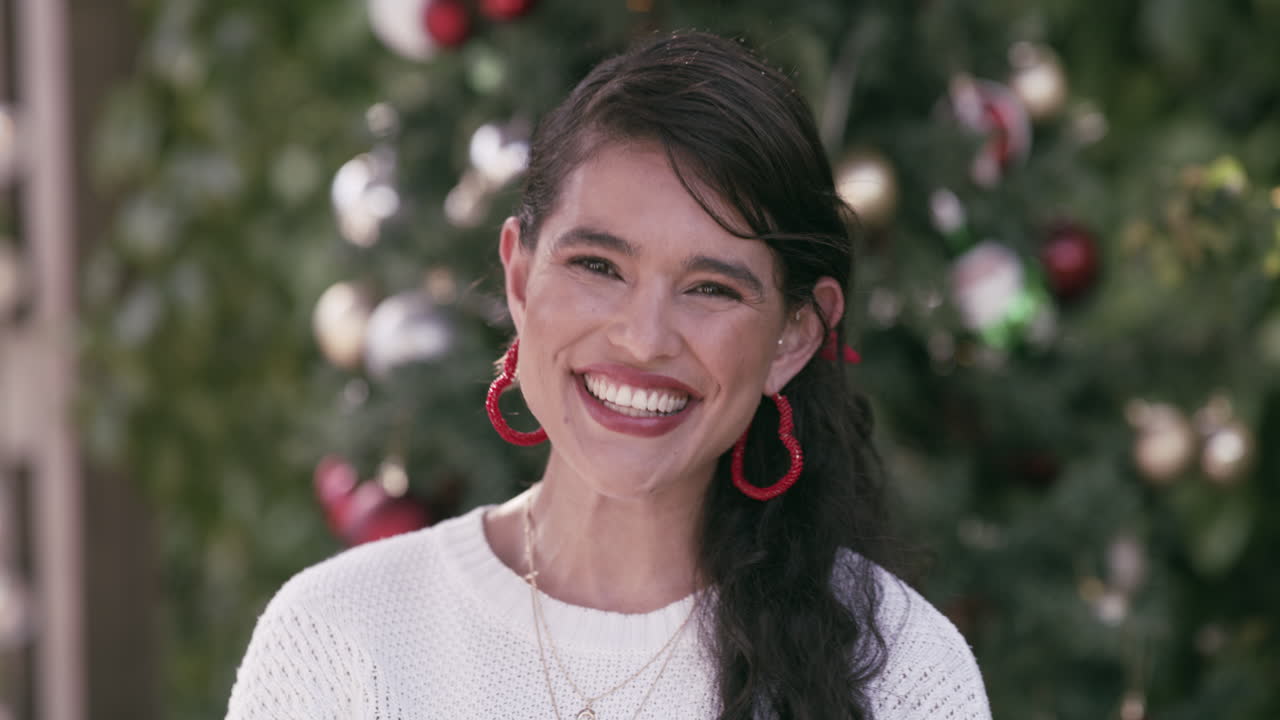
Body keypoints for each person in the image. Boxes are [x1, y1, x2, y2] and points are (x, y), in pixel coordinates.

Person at [226, 30, 991, 720]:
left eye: (711, 288)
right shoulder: (340, 642)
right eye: (598, 266)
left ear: (794, 335)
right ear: (520, 280)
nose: (643, 338)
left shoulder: (903, 677)